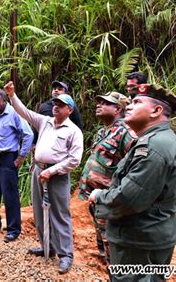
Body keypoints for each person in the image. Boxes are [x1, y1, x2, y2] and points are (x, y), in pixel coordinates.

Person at [89, 84, 176, 281]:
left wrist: (99, 196)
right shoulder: (157, 140)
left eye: (137, 102)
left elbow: (130, 198)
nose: (129, 106)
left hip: (139, 240)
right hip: (145, 236)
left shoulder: (154, 146)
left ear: (156, 111)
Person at [4, 81, 83, 274]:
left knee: (60, 215)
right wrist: (12, 95)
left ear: (70, 110)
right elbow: (25, 112)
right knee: (39, 211)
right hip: (38, 172)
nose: (56, 107)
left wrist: (53, 170)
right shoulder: (44, 121)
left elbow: (74, 160)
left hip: (57, 176)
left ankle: (65, 255)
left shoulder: (73, 131)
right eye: (55, 103)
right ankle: (47, 246)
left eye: (61, 105)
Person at [77, 91, 134, 267]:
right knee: (102, 236)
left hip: (110, 199)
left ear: (118, 108)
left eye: (105, 103)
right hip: (97, 197)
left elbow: (134, 166)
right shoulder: (103, 131)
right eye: (99, 102)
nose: (98, 105)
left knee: (113, 242)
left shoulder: (126, 133)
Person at [0, 88, 33, 242]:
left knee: (10, 195)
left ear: (4, 100)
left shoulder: (14, 113)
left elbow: (28, 134)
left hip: (9, 158)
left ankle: (13, 229)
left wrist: (21, 156)